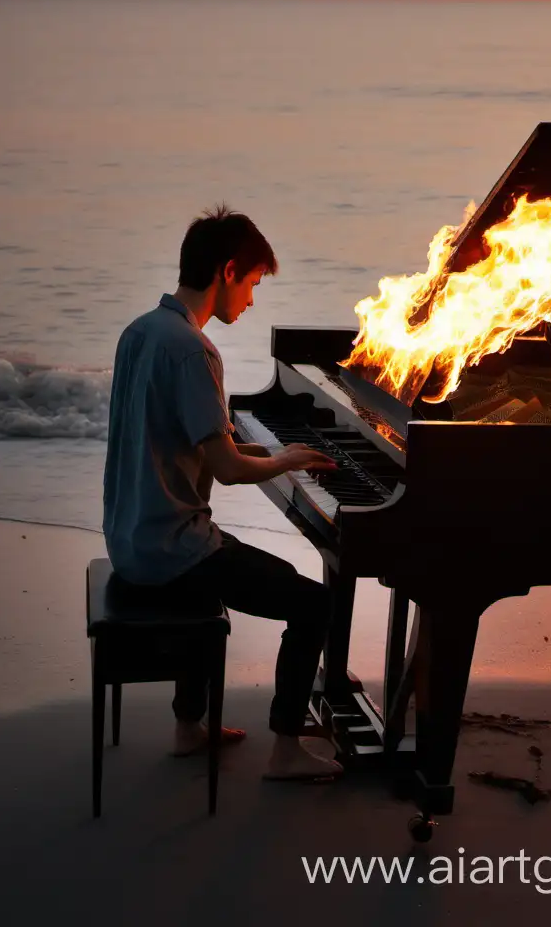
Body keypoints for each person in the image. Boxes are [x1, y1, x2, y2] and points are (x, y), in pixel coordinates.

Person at [103, 204, 342, 780]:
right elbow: (228, 471)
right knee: (314, 604)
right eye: (254, 282)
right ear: (228, 271)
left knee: (227, 552)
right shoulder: (195, 351)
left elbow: (199, 449)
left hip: (131, 537)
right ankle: (286, 751)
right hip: (171, 551)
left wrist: (277, 450)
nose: (253, 299)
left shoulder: (141, 332)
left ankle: (191, 727)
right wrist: (283, 458)